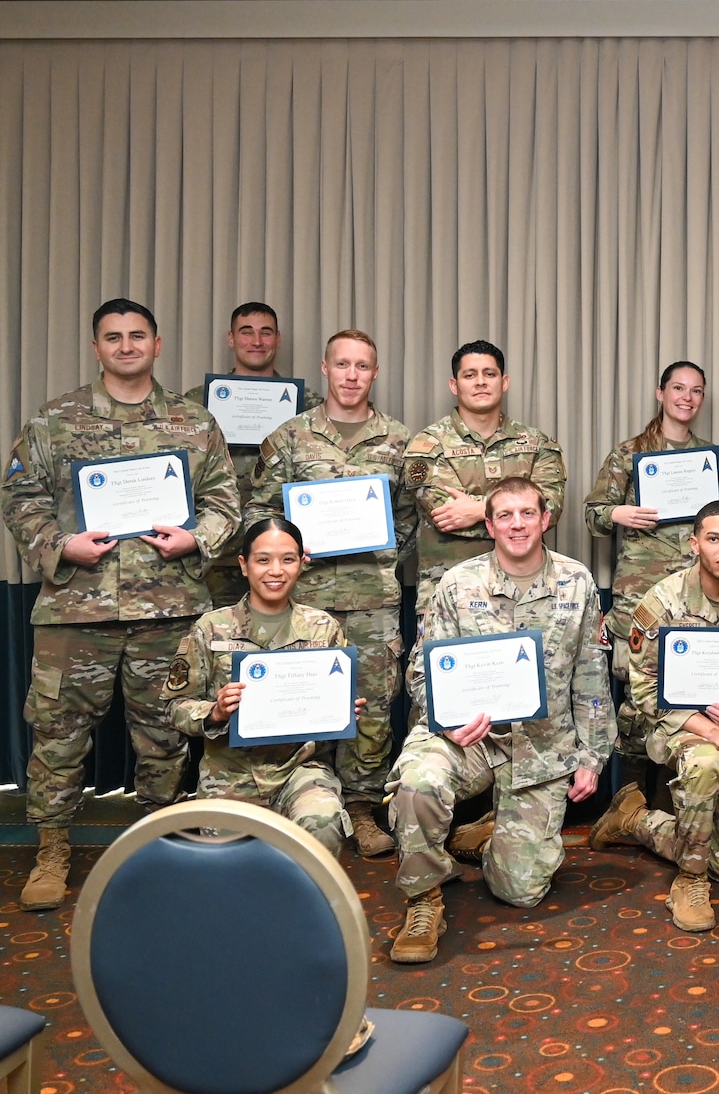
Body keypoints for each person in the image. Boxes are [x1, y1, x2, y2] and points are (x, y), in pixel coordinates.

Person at [3, 298, 241, 910]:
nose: (127, 346)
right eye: (114, 337)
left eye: (138, 336)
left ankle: (157, 844)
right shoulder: (56, 420)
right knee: (58, 735)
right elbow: (20, 493)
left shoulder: (193, 423)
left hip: (168, 609)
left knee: (165, 734)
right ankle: (52, 849)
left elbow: (225, 501)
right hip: (75, 610)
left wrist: (198, 539)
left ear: (158, 345)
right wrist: (60, 545)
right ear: (96, 347)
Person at [387, 477, 608, 964]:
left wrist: (592, 756)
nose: (517, 524)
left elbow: (591, 674)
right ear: (488, 525)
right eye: (504, 515)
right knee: (419, 783)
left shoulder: (577, 581)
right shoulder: (457, 584)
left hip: (542, 746)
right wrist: (443, 723)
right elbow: (421, 671)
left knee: (521, 892)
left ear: (546, 519)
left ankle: (489, 837)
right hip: (469, 739)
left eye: (527, 513)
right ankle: (424, 899)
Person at [247, 329, 415, 857]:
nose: (351, 375)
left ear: (375, 372)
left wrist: (384, 548)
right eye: (342, 364)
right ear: (325, 368)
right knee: (299, 701)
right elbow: (257, 513)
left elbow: (413, 515)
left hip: (372, 598)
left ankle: (364, 809)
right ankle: (305, 803)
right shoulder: (290, 437)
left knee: (371, 706)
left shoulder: (400, 440)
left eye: (362, 366)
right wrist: (291, 551)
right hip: (301, 599)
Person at [587, 501, 719, 933]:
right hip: (677, 727)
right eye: (714, 539)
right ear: (694, 543)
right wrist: (713, 732)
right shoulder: (663, 601)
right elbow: (642, 689)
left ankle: (635, 819)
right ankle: (689, 881)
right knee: (703, 761)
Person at [163, 518, 362, 856]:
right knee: (228, 875)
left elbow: (335, 705)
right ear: (244, 565)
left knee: (323, 818)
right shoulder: (211, 629)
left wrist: (342, 710)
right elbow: (174, 706)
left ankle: (304, 907)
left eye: (288, 559)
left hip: (299, 769)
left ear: (302, 563)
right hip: (229, 774)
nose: (276, 571)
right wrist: (214, 711)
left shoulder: (322, 628)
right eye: (263, 559)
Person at [584, 361, 719, 767]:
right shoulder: (630, 454)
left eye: (696, 390)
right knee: (637, 707)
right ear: (660, 393)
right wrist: (620, 514)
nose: (687, 398)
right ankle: (630, 804)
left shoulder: (712, 461)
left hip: (698, 604)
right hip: (641, 601)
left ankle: (682, 801)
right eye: (678, 388)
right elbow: (593, 514)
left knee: (695, 702)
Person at [404, 340, 566, 601]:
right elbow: (447, 516)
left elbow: (550, 509)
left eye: (489, 374)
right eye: (470, 375)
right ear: (454, 385)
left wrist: (477, 510)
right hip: (450, 592)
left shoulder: (537, 444)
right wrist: (521, 514)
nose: (480, 382)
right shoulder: (428, 445)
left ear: (504, 382)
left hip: (527, 592)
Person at [186, 302, 321, 607]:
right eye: (246, 332)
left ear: (278, 339)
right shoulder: (197, 404)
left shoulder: (308, 405)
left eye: (266, 333)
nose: (257, 341)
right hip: (217, 553)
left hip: (282, 558)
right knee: (220, 643)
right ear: (231, 339)